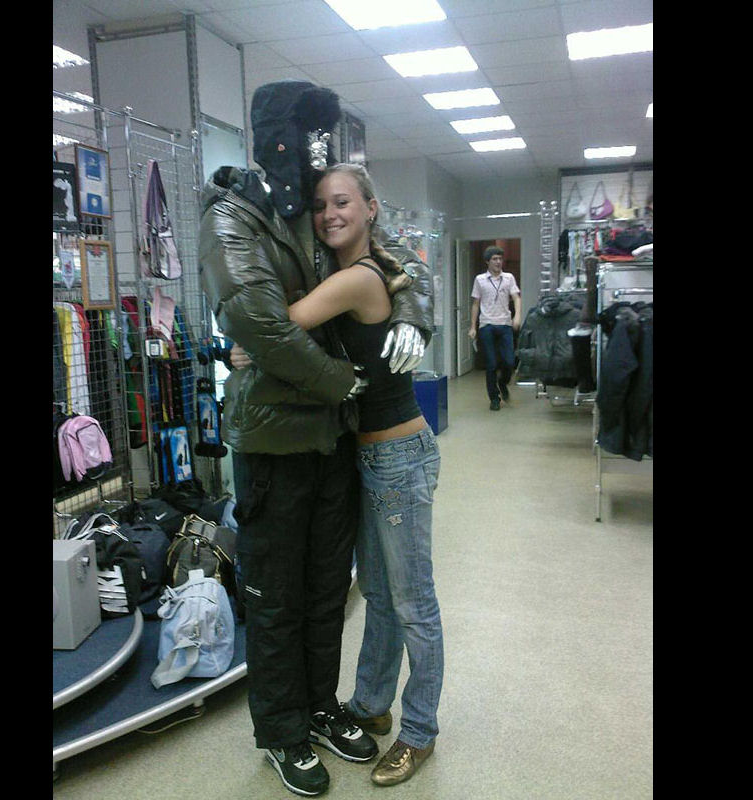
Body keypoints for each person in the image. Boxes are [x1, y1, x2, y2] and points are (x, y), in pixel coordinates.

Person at [198, 79, 434, 798]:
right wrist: (342, 383)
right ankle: (282, 730)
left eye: (319, 142)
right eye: (301, 138)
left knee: (329, 589)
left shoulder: (312, 211)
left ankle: (321, 705)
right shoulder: (233, 213)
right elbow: (259, 322)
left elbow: (393, 262)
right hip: (275, 440)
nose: (311, 160)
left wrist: (412, 315)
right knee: (276, 595)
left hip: (334, 441)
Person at [283, 162, 444, 788]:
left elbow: (283, 323)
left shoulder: (359, 277)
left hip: (397, 457)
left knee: (413, 604)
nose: (329, 214)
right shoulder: (364, 268)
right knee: (379, 593)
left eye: (343, 201)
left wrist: (248, 344)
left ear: (371, 208)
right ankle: (373, 703)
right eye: (321, 204)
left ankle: (419, 731)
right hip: (373, 458)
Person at [468, 246, 522, 410]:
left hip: (505, 324)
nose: (498, 262)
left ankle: (503, 383)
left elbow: (516, 298)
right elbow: (476, 304)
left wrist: (517, 316)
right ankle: (494, 398)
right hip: (487, 325)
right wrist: (473, 327)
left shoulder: (508, 278)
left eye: (500, 259)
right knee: (491, 364)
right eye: (494, 259)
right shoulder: (480, 279)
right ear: (487, 262)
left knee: (509, 361)